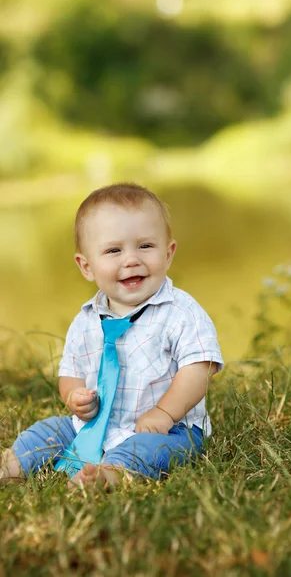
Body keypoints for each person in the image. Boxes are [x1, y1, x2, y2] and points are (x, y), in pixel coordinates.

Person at [0, 183, 223, 488]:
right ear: (87, 266)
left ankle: (108, 475)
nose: (131, 259)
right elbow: (71, 373)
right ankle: (12, 466)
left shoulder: (180, 311)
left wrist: (165, 412)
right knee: (46, 431)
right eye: (114, 250)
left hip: (168, 429)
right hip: (92, 425)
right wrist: (74, 397)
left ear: (169, 253)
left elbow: (201, 366)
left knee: (145, 451)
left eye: (145, 246)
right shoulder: (85, 320)